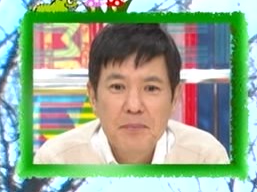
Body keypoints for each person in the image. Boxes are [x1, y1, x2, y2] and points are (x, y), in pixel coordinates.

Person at [33, 23, 230, 165]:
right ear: (93, 96)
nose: (134, 106)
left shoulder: (206, 157)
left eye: (151, 88)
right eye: (117, 87)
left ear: (175, 97)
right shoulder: (56, 159)